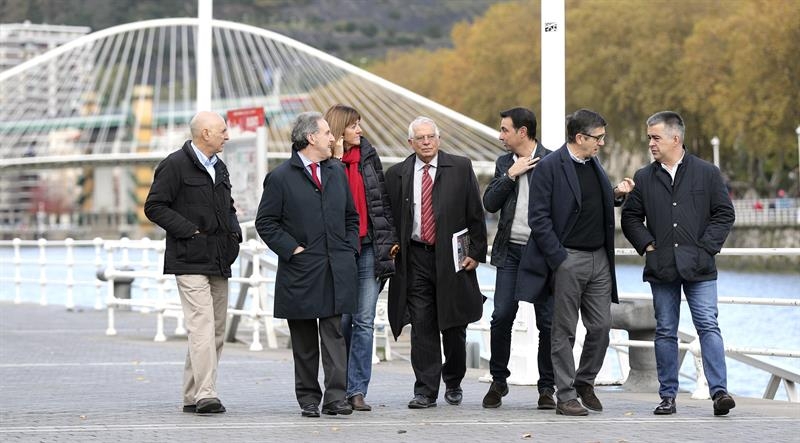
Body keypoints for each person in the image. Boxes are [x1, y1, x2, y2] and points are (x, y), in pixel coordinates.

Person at [621, 111, 736, 416]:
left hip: (700, 267)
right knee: (666, 331)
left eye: (655, 137)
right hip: (662, 267)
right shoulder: (645, 177)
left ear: (676, 138)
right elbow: (630, 217)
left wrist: (706, 248)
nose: (651, 144)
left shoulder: (707, 173)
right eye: (649, 138)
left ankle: (719, 392)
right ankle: (667, 396)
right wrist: (646, 244)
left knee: (708, 326)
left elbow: (724, 214)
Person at [526, 108, 634, 416]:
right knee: (564, 330)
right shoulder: (549, 167)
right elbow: (539, 218)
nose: (602, 142)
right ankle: (566, 395)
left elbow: (589, 201)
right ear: (580, 137)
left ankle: (585, 381)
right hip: (568, 258)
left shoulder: (593, 163)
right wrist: (558, 258)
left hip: (600, 258)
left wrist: (615, 194)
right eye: (598, 137)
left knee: (601, 326)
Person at [255, 111, 359, 418]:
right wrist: (293, 250)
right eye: (327, 133)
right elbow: (266, 222)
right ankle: (309, 399)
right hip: (301, 270)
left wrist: (348, 247)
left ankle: (336, 398)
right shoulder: (280, 177)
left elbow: (351, 217)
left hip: (335, 267)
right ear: (311, 137)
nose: (333, 138)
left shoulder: (336, 172)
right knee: (303, 341)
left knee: (334, 335)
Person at [384, 116, 487, 409]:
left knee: (454, 325)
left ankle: (453, 381)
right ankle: (425, 390)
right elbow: (390, 219)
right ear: (410, 143)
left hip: (451, 257)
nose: (426, 142)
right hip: (415, 257)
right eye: (420, 138)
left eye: (431, 137)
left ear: (439, 139)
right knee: (422, 324)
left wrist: (475, 252)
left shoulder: (461, 167)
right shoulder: (397, 174)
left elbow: (475, 215)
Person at [143, 111, 242, 414]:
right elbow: (154, 206)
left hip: (219, 258)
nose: (227, 136)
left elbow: (228, 207)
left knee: (215, 330)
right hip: (189, 258)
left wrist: (234, 235)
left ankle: (191, 393)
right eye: (223, 131)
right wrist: (191, 231)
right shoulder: (174, 165)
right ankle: (206, 394)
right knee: (201, 325)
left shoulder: (220, 168)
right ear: (206, 134)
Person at [323, 104, 398, 412]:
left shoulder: (369, 156)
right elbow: (329, 197)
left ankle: (357, 390)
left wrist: (389, 240)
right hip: (339, 250)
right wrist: (338, 159)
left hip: (368, 247)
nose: (360, 130)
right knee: (341, 321)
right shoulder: (326, 162)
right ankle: (337, 388)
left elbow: (380, 201)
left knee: (364, 320)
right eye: (354, 126)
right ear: (340, 129)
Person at [481, 107, 555, 409]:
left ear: (522, 132)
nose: (500, 135)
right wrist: (510, 175)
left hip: (541, 254)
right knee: (501, 317)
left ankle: (547, 387)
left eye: (504, 130)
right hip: (509, 251)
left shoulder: (552, 161)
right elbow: (489, 203)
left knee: (547, 322)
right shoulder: (503, 163)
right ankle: (499, 381)